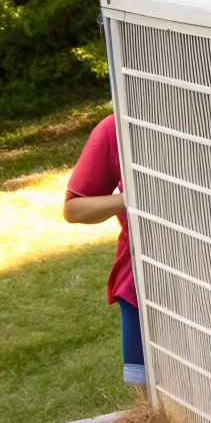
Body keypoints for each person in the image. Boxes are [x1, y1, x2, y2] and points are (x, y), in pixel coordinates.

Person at [63, 115, 143, 386]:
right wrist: (135, 197)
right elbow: (74, 210)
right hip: (143, 276)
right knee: (151, 393)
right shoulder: (115, 127)